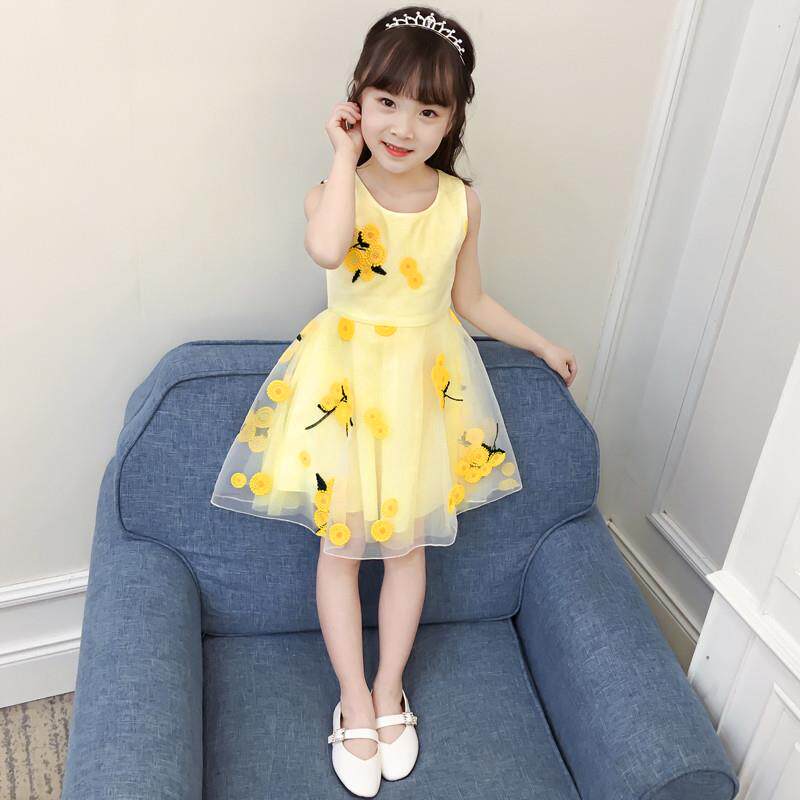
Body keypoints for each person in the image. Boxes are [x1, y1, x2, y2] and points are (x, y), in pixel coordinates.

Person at [210, 5, 577, 796]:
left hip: (419, 394)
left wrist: (542, 343)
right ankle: (351, 698)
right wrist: (344, 157)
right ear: (357, 101)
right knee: (341, 549)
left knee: (408, 551)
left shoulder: (460, 203)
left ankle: (387, 689)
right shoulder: (330, 192)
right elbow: (327, 248)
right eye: (386, 102)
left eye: (428, 111)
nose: (403, 127)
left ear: (453, 120)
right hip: (342, 392)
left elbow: (470, 301)